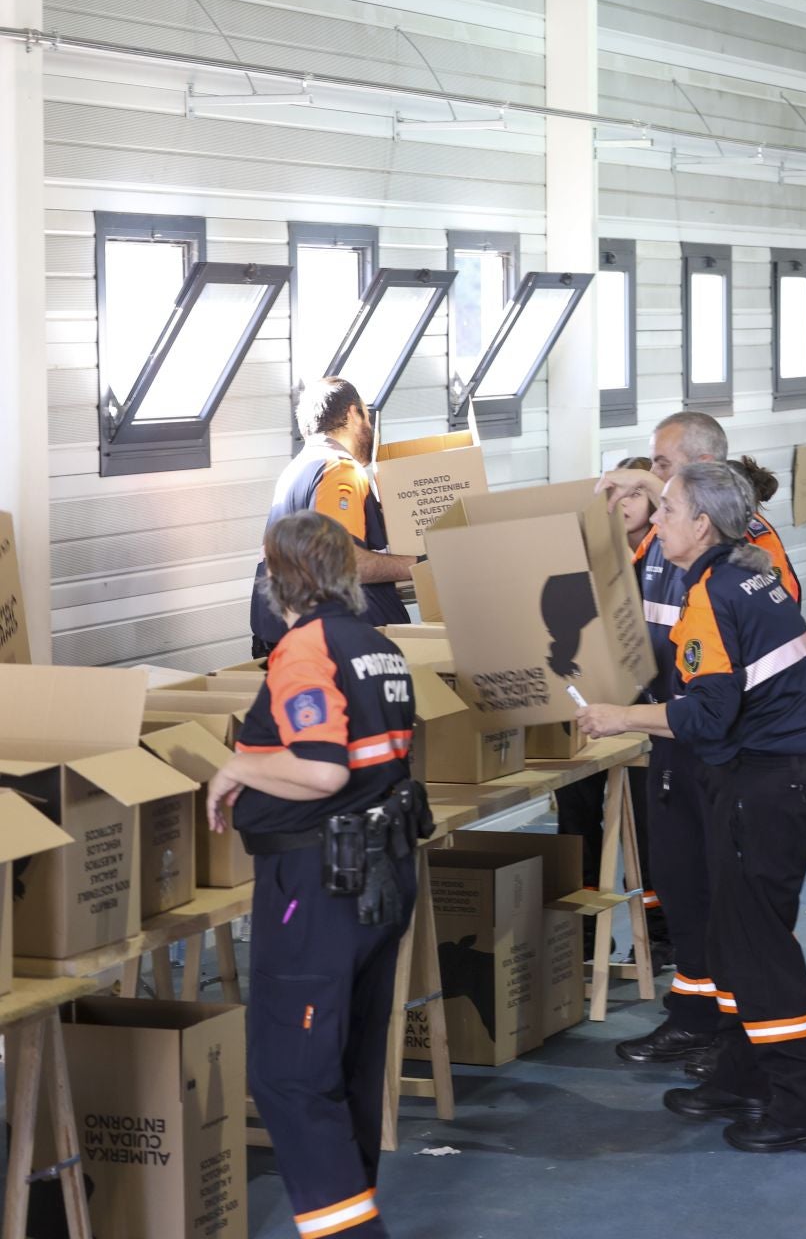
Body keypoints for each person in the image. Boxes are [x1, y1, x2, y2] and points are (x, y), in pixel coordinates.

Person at [577, 462, 806, 1153]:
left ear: (701, 525)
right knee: (734, 938)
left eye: (665, 509)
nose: (655, 519)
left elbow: (707, 714)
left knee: (757, 955)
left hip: (773, 785)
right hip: (789, 776)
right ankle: (742, 1075)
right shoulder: (747, 572)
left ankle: (803, 1108)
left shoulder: (713, 596)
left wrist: (619, 717)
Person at [211, 511, 426, 1239]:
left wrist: (240, 763)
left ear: (283, 577)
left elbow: (322, 768)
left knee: (291, 1074)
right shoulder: (378, 646)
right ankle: (353, 1207)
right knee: (348, 1062)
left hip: (319, 886)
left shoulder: (305, 650)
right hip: (382, 875)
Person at [594, 414, 799, 1076]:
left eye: (659, 467)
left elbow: (734, 667)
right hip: (672, 735)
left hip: (717, 743)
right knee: (681, 881)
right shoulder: (665, 538)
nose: (653, 488)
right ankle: (696, 1015)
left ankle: (732, 1033)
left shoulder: (748, 553)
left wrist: (628, 716)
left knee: (718, 890)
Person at [553, 455, 669, 966]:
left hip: (644, 715)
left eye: (635, 495)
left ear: (656, 504)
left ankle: (660, 936)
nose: (623, 505)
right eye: (615, 495)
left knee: (647, 825)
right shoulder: (584, 560)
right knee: (576, 818)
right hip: (587, 710)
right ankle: (578, 938)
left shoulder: (667, 562)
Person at [250, 378, 417, 656]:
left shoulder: (298, 468)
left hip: (287, 643)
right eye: (366, 414)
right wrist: (426, 564)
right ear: (353, 413)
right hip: (330, 651)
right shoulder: (339, 468)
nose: (370, 426)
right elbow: (346, 566)